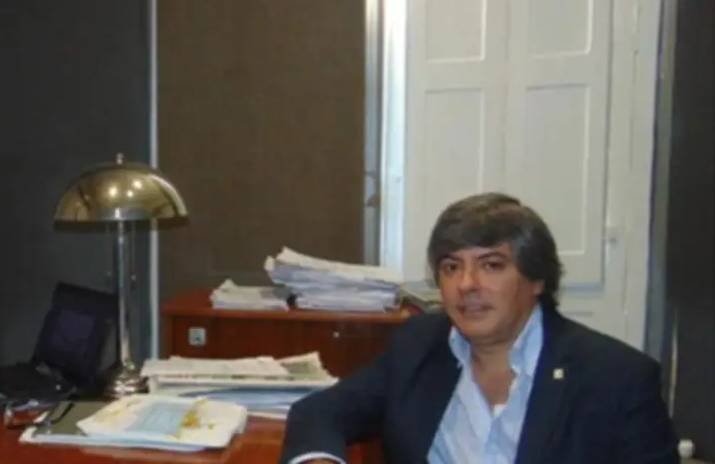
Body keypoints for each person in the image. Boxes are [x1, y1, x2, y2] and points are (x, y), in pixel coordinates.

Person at [280, 192, 679, 464]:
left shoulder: (617, 378)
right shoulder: (420, 345)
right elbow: (320, 412)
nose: (466, 284)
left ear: (536, 279)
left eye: (491, 265)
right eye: (451, 267)